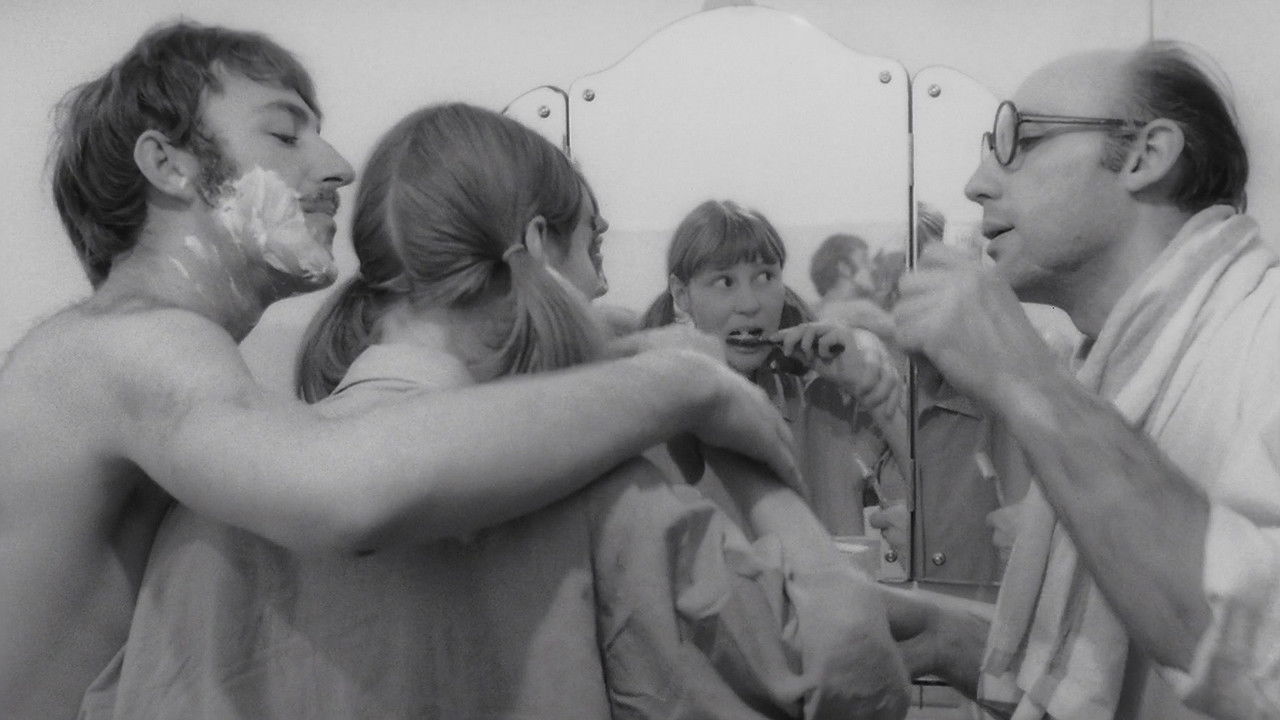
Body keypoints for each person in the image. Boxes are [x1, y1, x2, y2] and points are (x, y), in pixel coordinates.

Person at [0, 22, 800, 719]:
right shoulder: (136, 345)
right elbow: (346, 488)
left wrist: (592, 339)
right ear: (167, 165)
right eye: (286, 135)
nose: (339, 166)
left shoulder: (140, 361)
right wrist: (681, 386)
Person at [96, 103, 911, 719]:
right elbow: (855, 680)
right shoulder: (610, 504)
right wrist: (732, 431)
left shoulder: (211, 516)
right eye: (589, 249)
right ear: (536, 249)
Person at [882, 41, 1280, 720]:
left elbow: (1266, 662)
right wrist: (949, 639)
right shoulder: (1110, 370)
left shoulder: (1266, 342)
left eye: (1019, 140)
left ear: (1143, 156)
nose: (978, 182)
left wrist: (1025, 380)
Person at [641, 200, 905, 537]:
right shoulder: (652, 427)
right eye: (725, 282)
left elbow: (934, 500)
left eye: (765, 276)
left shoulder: (826, 405)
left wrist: (872, 386)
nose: (751, 304)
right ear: (682, 294)